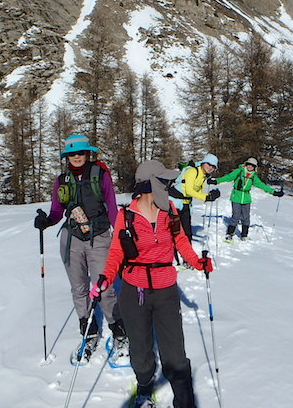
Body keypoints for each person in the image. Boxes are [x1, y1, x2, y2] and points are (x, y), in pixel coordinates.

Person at [91, 160, 213, 408]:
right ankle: (145, 387)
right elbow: (116, 253)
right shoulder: (126, 216)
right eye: (164, 181)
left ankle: (184, 401)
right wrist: (105, 278)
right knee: (142, 351)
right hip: (135, 292)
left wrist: (198, 262)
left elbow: (181, 242)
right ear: (149, 184)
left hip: (166, 290)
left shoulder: (169, 210)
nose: (169, 185)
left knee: (175, 354)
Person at [33, 134, 127, 353]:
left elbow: (112, 206)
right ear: (67, 156)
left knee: (103, 287)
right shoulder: (62, 180)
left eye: (80, 153)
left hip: (100, 235)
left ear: (88, 154)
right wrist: (46, 221)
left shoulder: (100, 175)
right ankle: (88, 328)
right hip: (72, 238)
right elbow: (57, 211)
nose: (76, 157)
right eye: (72, 154)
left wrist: (121, 233)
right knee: (78, 288)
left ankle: (118, 328)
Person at [209, 157, 283, 241]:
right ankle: (229, 234)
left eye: (252, 165)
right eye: (249, 164)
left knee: (246, 217)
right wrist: (216, 181)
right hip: (236, 196)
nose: (250, 166)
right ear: (246, 164)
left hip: (246, 198)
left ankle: (244, 235)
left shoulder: (253, 176)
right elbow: (228, 177)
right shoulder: (239, 171)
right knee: (235, 216)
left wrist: (274, 192)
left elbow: (262, 186)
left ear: (255, 167)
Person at [169, 154, 220, 247]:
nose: (210, 168)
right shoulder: (192, 171)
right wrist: (206, 197)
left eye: (213, 167)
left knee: (187, 231)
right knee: (174, 230)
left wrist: (210, 196)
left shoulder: (203, 176)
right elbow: (189, 190)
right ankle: (172, 254)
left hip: (186, 204)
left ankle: (187, 255)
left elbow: (198, 192)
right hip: (174, 203)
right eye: (209, 164)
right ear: (203, 162)